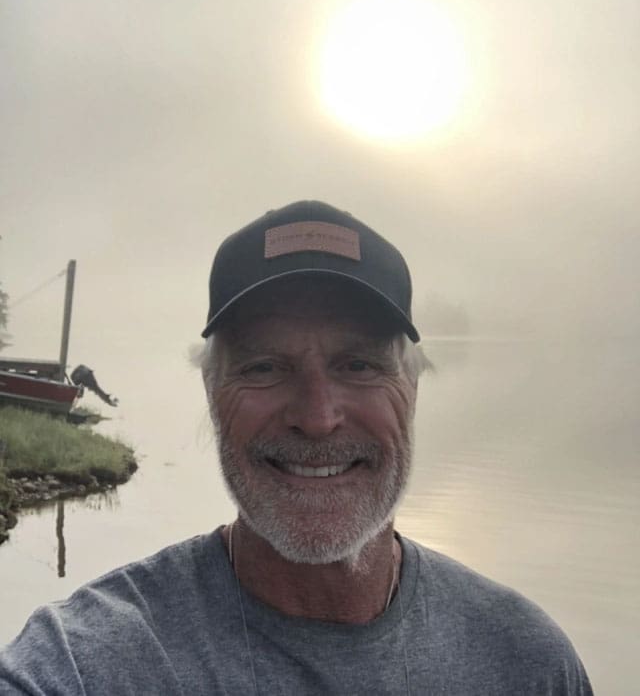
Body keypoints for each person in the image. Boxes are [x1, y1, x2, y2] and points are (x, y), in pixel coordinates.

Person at [0, 200, 592, 695]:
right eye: (263, 367)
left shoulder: (526, 664)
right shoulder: (83, 667)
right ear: (212, 391)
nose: (316, 417)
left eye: (358, 364)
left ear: (411, 387)